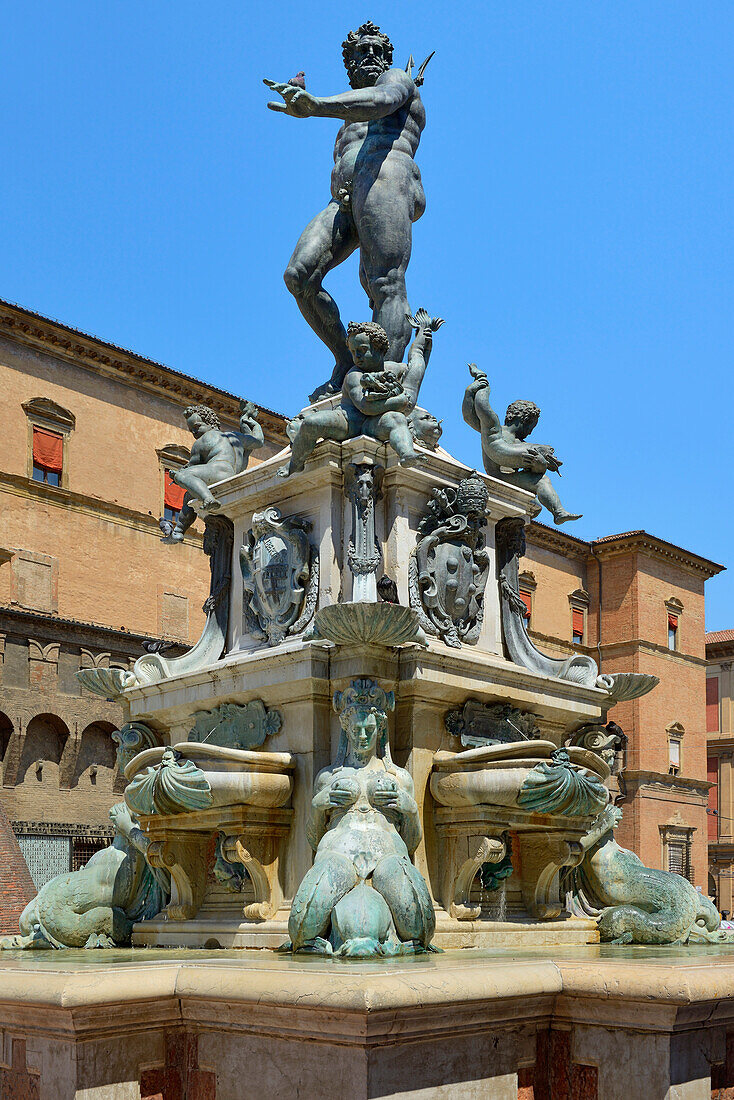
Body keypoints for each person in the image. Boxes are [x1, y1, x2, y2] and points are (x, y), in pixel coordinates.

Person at [264, 22, 428, 402]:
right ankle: (345, 361)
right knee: (299, 276)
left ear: (387, 58)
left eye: (377, 51)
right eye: (361, 52)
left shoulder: (398, 79)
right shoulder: (349, 114)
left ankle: (380, 377)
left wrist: (318, 106)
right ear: (349, 65)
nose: (370, 56)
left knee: (385, 282)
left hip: (387, 176)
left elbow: (382, 101)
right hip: (344, 198)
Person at [287, 679, 435, 956]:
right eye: (356, 729)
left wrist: (411, 809)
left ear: (380, 729)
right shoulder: (328, 777)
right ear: (345, 728)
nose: (363, 736)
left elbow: (412, 842)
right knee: (301, 927)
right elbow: (313, 839)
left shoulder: (399, 777)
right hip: (337, 856)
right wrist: (319, 807)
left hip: (388, 857)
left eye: (369, 729)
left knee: (420, 927)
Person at [278, 310, 442, 477]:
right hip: (349, 421)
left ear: (380, 349)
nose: (356, 356)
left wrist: (423, 339)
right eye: (353, 351)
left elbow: (417, 362)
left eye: (362, 350)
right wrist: (399, 401)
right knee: (311, 423)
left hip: (374, 424)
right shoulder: (353, 376)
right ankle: (295, 463)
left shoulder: (396, 369)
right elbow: (366, 407)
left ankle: (406, 453)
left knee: (397, 419)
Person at [462, 364, 582, 525]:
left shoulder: (523, 445)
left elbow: (535, 473)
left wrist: (540, 465)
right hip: (498, 477)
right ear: (525, 421)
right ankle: (558, 512)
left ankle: (558, 512)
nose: (531, 432)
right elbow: (470, 416)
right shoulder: (495, 430)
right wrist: (471, 391)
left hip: (513, 481)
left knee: (542, 480)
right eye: (532, 426)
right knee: (541, 481)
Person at [163, 401, 264, 542]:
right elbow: (258, 441)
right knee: (189, 496)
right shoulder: (236, 437)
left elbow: (192, 465)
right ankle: (179, 531)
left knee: (183, 476)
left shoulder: (202, 441)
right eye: (191, 430)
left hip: (218, 472)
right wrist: (248, 420)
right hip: (232, 476)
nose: (194, 432)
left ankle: (208, 498)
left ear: (209, 422)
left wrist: (177, 475)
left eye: (197, 427)